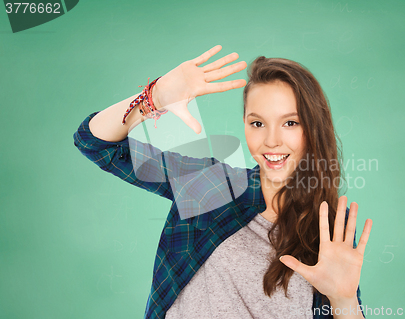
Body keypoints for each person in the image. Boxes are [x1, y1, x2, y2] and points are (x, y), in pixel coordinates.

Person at [73, 45, 372, 319]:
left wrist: (344, 301)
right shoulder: (210, 184)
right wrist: (155, 96)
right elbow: (95, 143)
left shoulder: (328, 228)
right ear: (244, 123)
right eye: (257, 123)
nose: (271, 140)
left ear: (313, 128)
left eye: (290, 123)